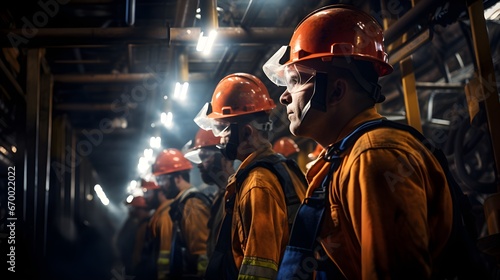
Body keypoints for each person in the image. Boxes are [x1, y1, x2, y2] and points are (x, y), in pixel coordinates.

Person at [262, 4, 454, 279]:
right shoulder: (343, 157)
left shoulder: (374, 156)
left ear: (337, 90)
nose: (284, 97)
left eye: (295, 81)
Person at [194, 72, 308, 279]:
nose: (219, 137)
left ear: (246, 133)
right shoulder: (283, 169)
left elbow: (259, 270)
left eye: (222, 128)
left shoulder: (257, 184)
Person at [152, 148, 211, 279]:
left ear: (177, 178)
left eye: (162, 180)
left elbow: (202, 253)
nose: (160, 186)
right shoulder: (183, 203)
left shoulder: (192, 204)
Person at [184, 128, 235, 259]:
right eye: (199, 159)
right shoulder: (220, 197)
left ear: (225, 154)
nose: (199, 165)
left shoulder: (238, 193)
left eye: (205, 157)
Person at [139, 179, 173, 280]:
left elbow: (165, 250)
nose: (145, 198)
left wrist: (163, 275)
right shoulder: (159, 214)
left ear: (160, 191)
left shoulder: (165, 215)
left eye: (148, 192)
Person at [115, 195, 152, 276]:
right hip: (138, 267)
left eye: (133, 208)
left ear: (140, 209)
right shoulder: (139, 224)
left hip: (143, 269)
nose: (131, 211)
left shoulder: (146, 225)